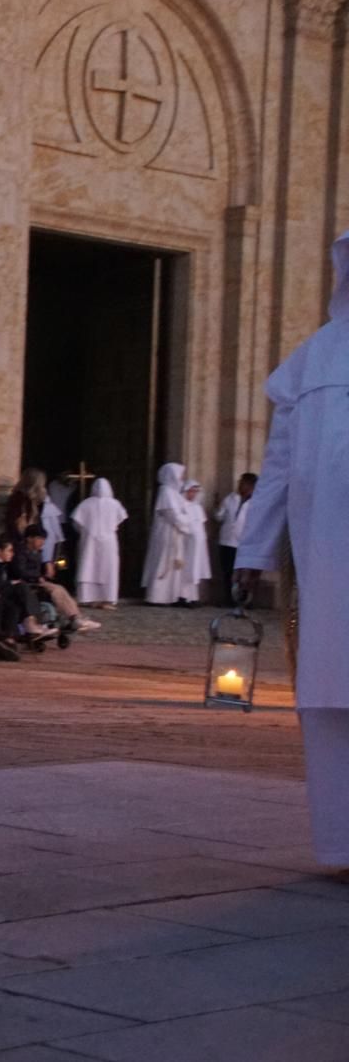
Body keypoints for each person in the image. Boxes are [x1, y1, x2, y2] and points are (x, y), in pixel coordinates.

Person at [236, 228, 349, 873]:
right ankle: (341, 842)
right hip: (323, 563)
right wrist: (253, 550)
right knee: (330, 699)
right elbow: (276, 467)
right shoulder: (311, 362)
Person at [142, 462, 197, 605]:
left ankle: (171, 596)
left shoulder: (174, 492)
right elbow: (172, 514)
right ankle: (157, 596)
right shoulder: (165, 491)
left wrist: (185, 521)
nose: (182, 478)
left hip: (175, 531)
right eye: (180, 475)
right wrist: (186, 525)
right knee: (164, 562)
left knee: (175, 564)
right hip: (167, 532)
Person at [71, 478, 128, 608]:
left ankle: (88, 597)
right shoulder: (115, 504)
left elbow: (76, 524)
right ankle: (107, 598)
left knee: (89, 567)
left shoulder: (85, 504)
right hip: (109, 542)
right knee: (108, 568)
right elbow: (120, 520)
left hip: (89, 541)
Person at [214, 473, 256, 606]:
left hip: (245, 542)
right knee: (228, 572)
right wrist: (216, 507)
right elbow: (219, 517)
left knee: (245, 573)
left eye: (243, 483)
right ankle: (229, 599)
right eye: (240, 482)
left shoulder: (255, 502)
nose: (240, 485)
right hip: (227, 540)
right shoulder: (230, 499)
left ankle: (244, 600)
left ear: (251, 486)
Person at [179, 480, 211, 606]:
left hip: (198, 543)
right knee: (186, 569)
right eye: (191, 491)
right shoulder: (182, 505)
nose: (194, 494)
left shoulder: (197, 507)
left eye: (196, 491)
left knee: (195, 570)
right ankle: (183, 596)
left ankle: (193, 597)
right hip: (187, 543)